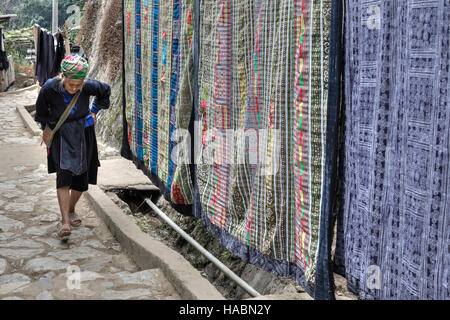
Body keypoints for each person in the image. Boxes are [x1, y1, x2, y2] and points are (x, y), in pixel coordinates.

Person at [35, 55, 111, 239]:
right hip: (61, 133)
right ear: (63, 77)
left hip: (84, 133)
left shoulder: (89, 85)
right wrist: (45, 129)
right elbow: (41, 112)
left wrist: (93, 111)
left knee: (82, 176)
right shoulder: (49, 88)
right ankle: (65, 222)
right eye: (71, 85)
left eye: (79, 85)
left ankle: (71, 208)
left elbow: (105, 91)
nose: (75, 88)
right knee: (64, 173)